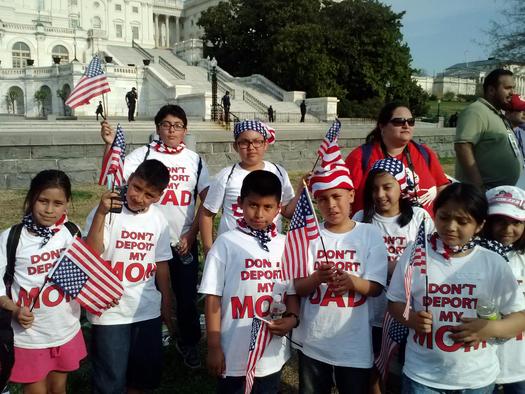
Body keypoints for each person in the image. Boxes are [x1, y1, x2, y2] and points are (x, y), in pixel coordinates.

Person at [387, 183, 525, 393]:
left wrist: (488, 329)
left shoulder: (493, 262)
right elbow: (395, 302)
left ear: (479, 225)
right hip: (422, 377)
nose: (451, 227)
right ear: (434, 216)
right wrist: (411, 319)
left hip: (476, 379)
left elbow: (519, 317)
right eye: (443, 217)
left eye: (462, 221)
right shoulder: (414, 254)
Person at [100, 104, 210, 369]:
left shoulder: (194, 159)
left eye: (178, 125)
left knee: (185, 296)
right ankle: (154, 332)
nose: (172, 130)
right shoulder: (144, 153)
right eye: (166, 124)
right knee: (149, 290)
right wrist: (108, 145)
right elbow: (114, 179)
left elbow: (207, 203)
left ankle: (190, 342)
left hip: (181, 242)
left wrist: (191, 233)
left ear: (186, 129)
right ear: (158, 127)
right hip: (145, 240)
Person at [293, 155, 388, 394]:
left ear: (352, 196)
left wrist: (353, 282)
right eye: (323, 199)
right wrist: (317, 278)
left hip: (353, 343)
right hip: (314, 341)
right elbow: (297, 287)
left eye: (337, 196)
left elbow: (376, 287)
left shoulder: (370, 234)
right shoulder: (309, 237)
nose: (331, 204)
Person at [199, 170, 299, 394]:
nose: (259, 214)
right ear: (240, 203)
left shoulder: (286, 245)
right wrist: (214, 345)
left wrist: (292, 319)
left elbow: (292, 292)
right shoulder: (225, 243)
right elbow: (212, 297)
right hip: (233, 349)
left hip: (271, 352)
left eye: (267, 207)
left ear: (278, 209)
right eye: (253, 205)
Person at [85, 159, 174, 393]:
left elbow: (161, 264)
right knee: (110, 376)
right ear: (130, 177)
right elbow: (91, 253)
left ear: (159, 196)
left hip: (146, 308)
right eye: (136, 187)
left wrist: (166, 302)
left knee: (143, 375)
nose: (139, 197)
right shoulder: (106, 211)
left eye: (149, 194)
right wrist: (102, 213)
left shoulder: (158, 219)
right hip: (109, 309)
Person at [0, 170, 86, 393]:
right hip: (29, 336)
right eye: (43, 201)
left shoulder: (71, 231)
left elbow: (88, 269)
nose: (49, 210)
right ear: (31, 198)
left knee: (58, 388)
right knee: (36, 390)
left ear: (67, 204)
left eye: (57, 203)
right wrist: (15, 309)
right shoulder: (12, 237)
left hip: (64, 329)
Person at [352, 158, 434, 394]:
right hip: (373, 310)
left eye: (387, 187)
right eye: (374, 188)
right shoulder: (361, 219)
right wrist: (393, 266)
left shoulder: (419, 218)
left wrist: (389, 267)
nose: (380, 194)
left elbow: (428, 258)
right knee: (375, 365)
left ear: (401, 187)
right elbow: (355, 260)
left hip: (409, 309)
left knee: (407, 365)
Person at [200, 120, 301, 256]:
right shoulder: (226, 175)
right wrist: (209, 250)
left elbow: (287, 211)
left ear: (265, 144)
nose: (251, 147)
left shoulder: (279, 172)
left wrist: (301, 190)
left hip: (269, 249)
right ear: (235, 146)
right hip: (233, 249)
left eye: (257, 141)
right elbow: (207, 214)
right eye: (244, 142)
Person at [345, 101, 449, 216]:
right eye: (398, 121)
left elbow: (443, 189)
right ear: (382, 126)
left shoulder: (425, 153)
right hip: (375, 230)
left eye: (411, 121)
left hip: (422, 230)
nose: (406, 125)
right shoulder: (360, 156)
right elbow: (344, 198)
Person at [485, 186, 525, 394]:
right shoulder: (475, 255)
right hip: (482, 359)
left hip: (519, 361)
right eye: (500, 221)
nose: (508, 230)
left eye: (516, 222)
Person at [455, 68, 523, 190]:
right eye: (507, 88)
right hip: (485, 195)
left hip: (503, 194)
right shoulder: (476, 111)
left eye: (513, 88)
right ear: (491, 90)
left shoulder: (497, 113)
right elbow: (463, 147)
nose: (512, 92)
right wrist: (479, 187)